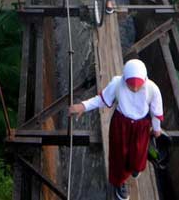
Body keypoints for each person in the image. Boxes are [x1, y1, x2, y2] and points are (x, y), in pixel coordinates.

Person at [69, 59, 163, 200]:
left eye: (138, 86)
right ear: (125, 79)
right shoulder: (117, 84)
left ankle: (135, 167)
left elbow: (156, 112)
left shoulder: (152, 89)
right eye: (131, 86)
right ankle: (120, 182)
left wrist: (156, 129)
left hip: (141, 126)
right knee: (119, 154)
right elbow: (102, 99)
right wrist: (84, 106)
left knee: (139, 151)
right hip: (121, 125)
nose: (135, 89)